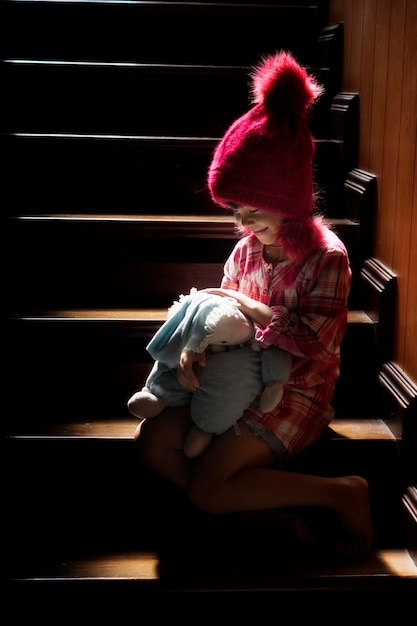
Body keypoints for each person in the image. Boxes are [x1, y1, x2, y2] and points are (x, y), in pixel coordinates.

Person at [134, 51, 373, 558]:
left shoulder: (326, 258)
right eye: (236, 212)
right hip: (236, 377)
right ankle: (261, 514)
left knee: (208, 487)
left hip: (292, 391)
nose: (244, 223)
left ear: (290, 202)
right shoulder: (247, 248)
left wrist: (249, 306)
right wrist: (197, 348)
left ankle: (341, 493)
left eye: (255, 211)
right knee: (152, 444)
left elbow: (316, 341)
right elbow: (222, 314)